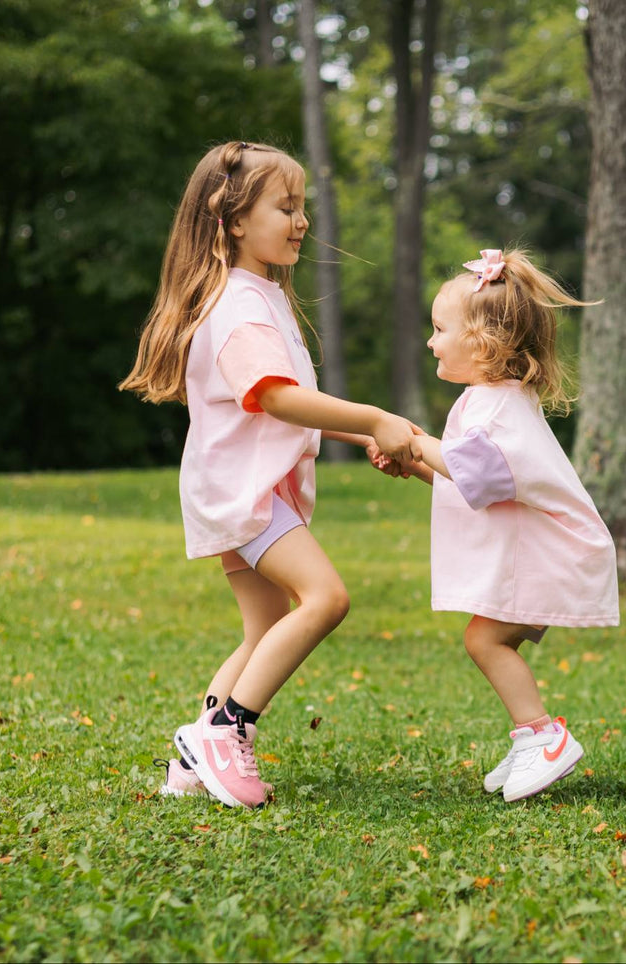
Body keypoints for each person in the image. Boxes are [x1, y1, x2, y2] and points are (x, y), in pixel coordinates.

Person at [119, 141, 418, 808]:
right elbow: (274, 397)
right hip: (242, 492)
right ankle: (228, 729)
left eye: (301, 206)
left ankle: (191, 761)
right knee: (326, 599)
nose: (301, 221)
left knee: (263, 629)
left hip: (236, 487)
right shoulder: (239, 305)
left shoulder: (256, 295)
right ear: (231, 220)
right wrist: (372, 418)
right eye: (285, 207)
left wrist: (359, 431)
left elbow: (279, 404)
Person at [395, 248, 620, 802]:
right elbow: (480, 487)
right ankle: (532, 740)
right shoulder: (486, 400)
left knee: (484, 638)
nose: (431, 341)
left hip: (548, 553)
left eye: (440, 329)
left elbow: (471, 466)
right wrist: (416, 462)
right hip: (542, 549)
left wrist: (414, 442)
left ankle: (542, 737)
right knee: (486, 637)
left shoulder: (498, 408)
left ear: (483, 345)